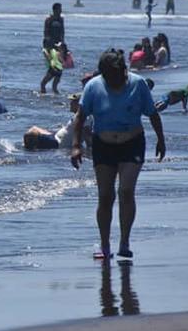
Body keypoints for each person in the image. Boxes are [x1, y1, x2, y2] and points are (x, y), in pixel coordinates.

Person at [70, 49, 166, 260]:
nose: (114, 80)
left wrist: (161, 140)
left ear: (124, 70)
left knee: (126, 191)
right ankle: (105, 245)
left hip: (132, 143)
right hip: (103, 145)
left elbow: (152, 114)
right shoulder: (94, 86)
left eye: (117, 75)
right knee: (105, 196)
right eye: (109, 76)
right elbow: (80, 116)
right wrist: (76, 146)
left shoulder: (138, 84)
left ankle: (124, 241)